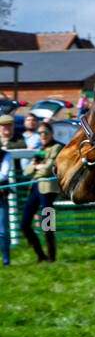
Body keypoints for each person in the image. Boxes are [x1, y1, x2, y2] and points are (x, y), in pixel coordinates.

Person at [20, 122, 59, 263]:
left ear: (51, 133)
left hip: (48, 189)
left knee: (47, 225)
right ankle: (40, 254)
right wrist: (38, 167)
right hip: (35, 187)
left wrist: (36, 167)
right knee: (24, 224)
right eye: (40, 133)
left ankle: (51, 257)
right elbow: (26, 171)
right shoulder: (40, 150)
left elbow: (49, 169)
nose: (43, 135)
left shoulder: (56, 147)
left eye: (46, 133)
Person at [0, 114, 14, 266]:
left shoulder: (5, 155)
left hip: (48, 192)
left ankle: (6, 260)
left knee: (2, 231)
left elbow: (3, 175)